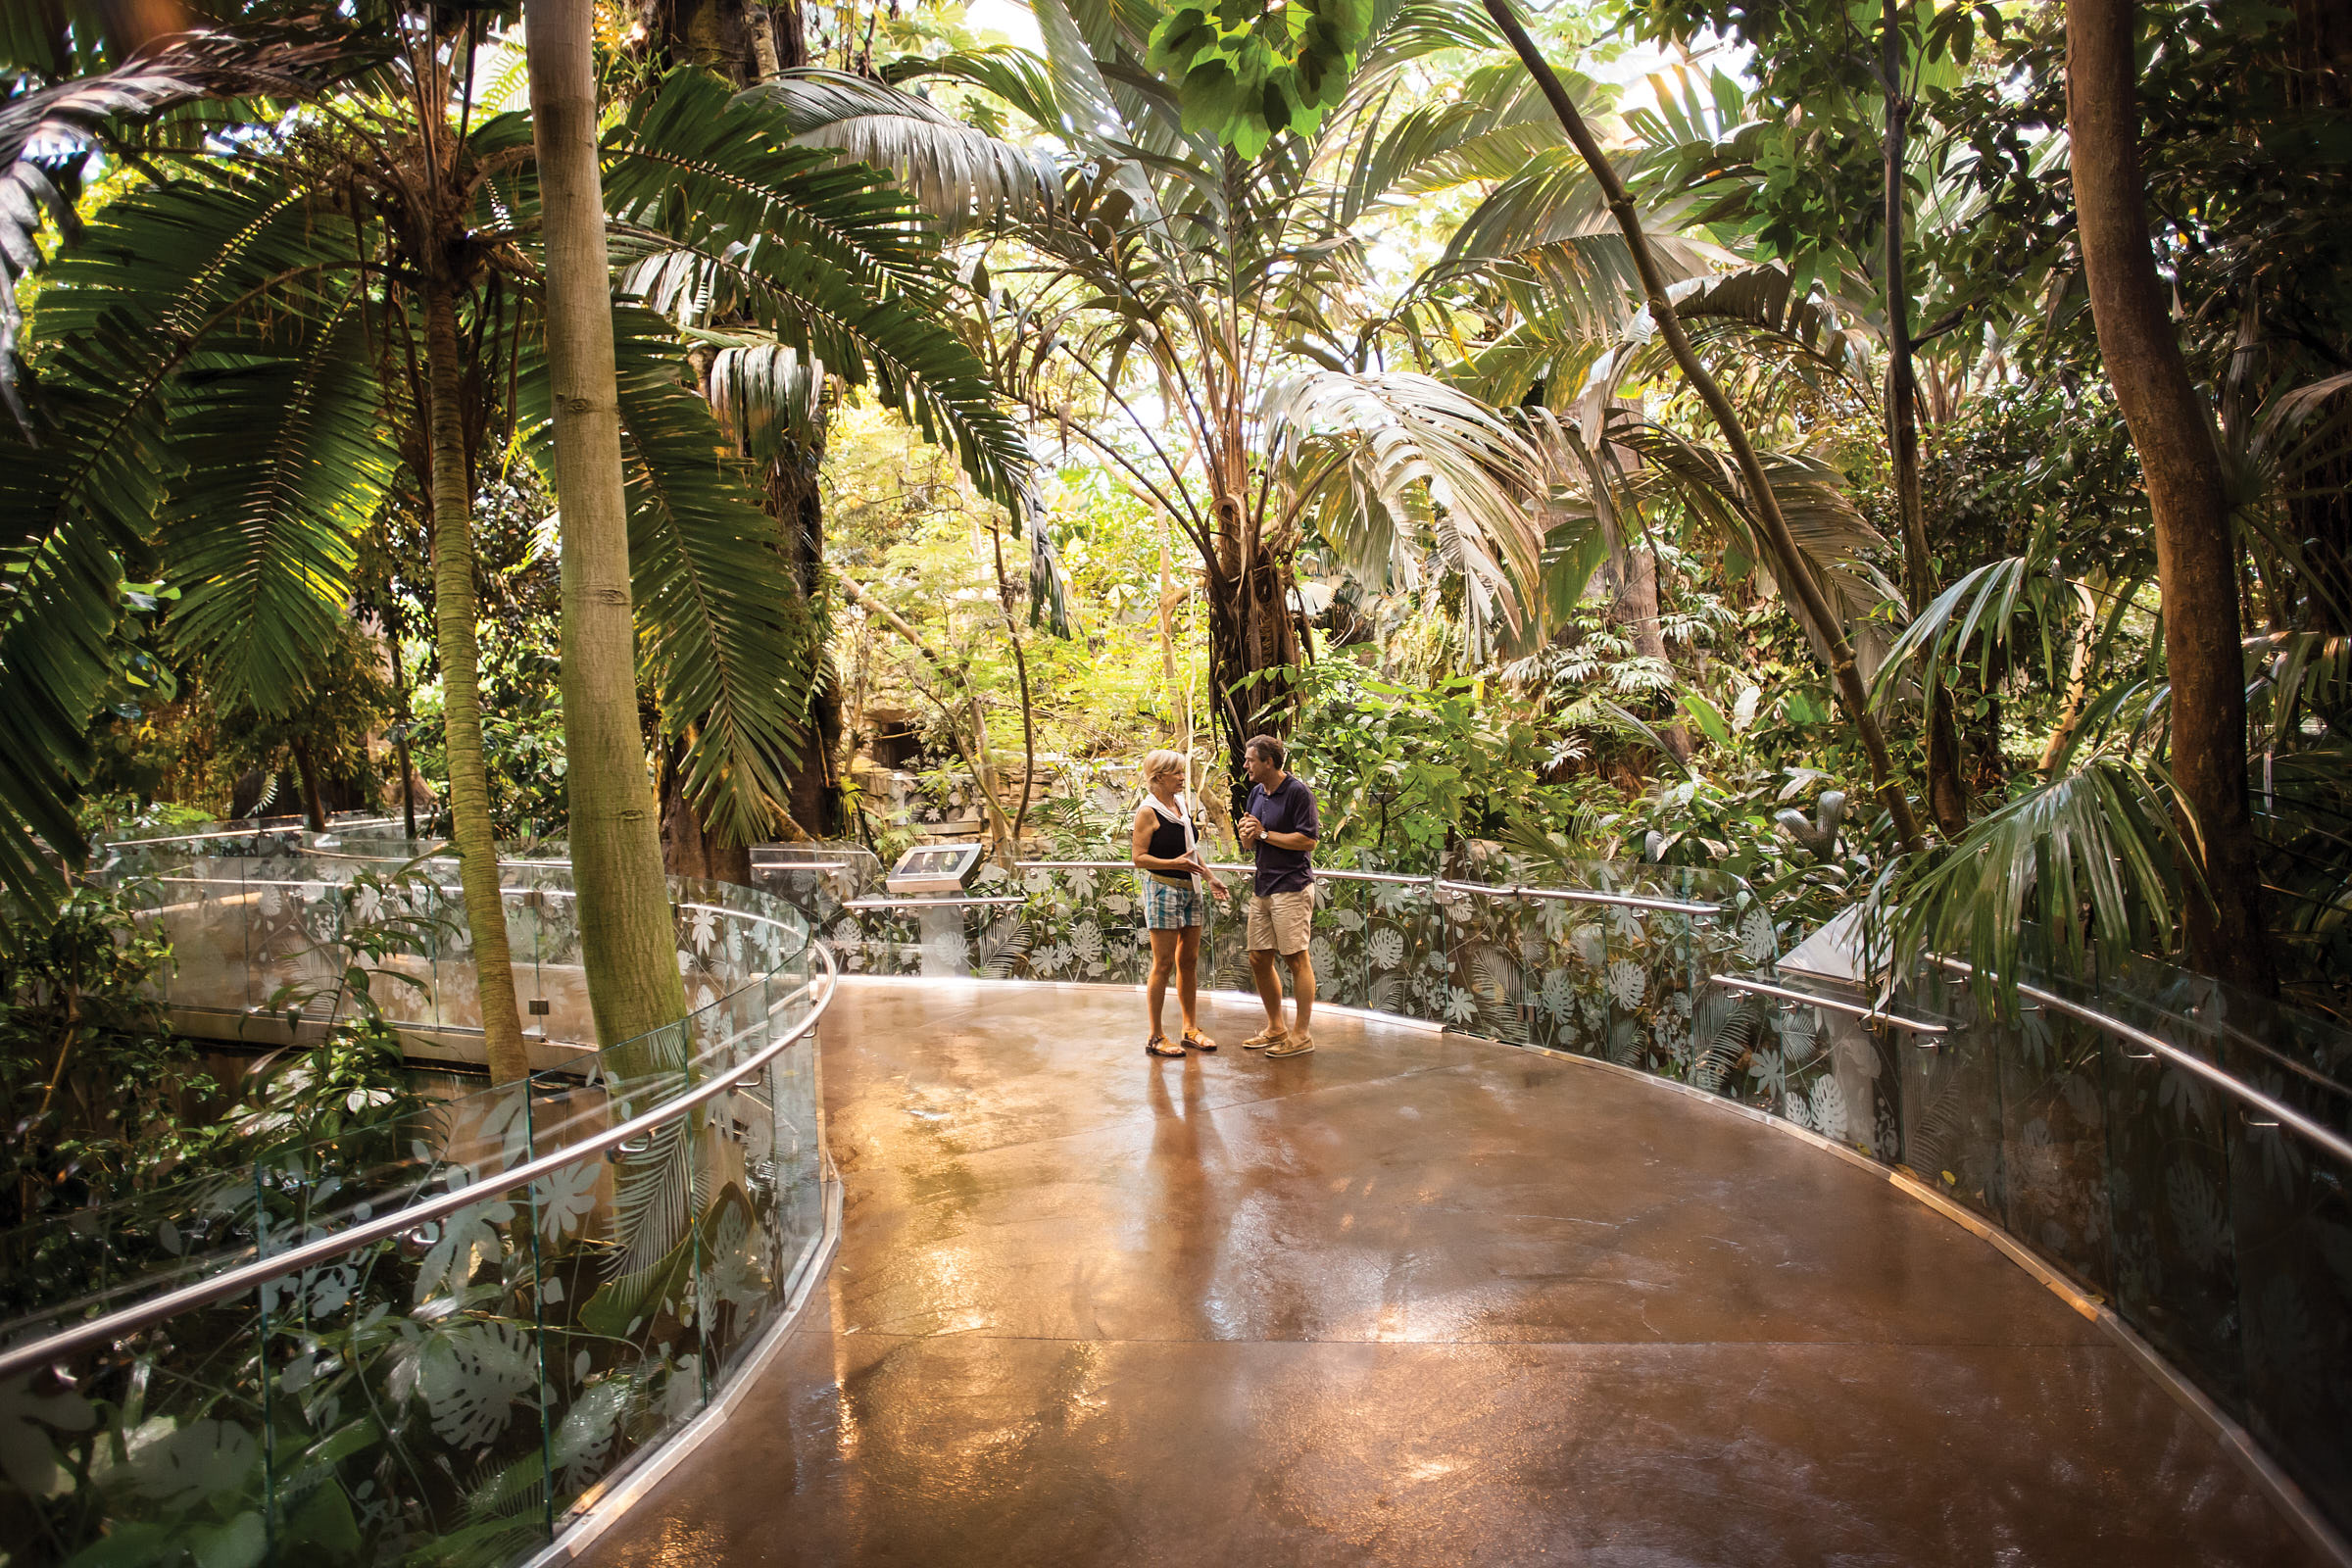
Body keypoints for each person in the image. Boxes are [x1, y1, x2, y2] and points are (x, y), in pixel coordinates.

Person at [1130, 750, 1224, 1058]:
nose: (1183, 778)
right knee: (1164, 962)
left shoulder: (1180, 805)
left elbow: (1191, 850)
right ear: (1158, 777)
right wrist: (1173, 863)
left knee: (1190, 961)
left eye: (1183, 772)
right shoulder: (1148, 811)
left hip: (1190, 888)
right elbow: (1138, 858)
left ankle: (1190, 1028)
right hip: (1162, 889)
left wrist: (1210, 877)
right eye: (1177, 774)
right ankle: (1155, 1035)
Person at [1237, 735, 1318, 1058]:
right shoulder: (1256, 793)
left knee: (1296, 958)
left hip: (1292, 887)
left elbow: (1309, 840)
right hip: (1263, 886)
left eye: (1251, 760)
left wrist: (1265, 835)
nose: (1246, 765)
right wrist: (1248, 837)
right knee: (1258, 957)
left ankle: (1302, 1034)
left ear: (1269, 762)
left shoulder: (1297, 792)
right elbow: (1250, 840)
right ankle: (1276, 1027)